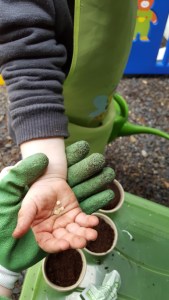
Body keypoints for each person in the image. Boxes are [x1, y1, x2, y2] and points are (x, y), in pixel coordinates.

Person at [0, 0, 137, 297]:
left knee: (93, 132)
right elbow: (25, 47)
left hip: (98, 86)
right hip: (51, 112)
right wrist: (49, 170)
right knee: (78, 153)